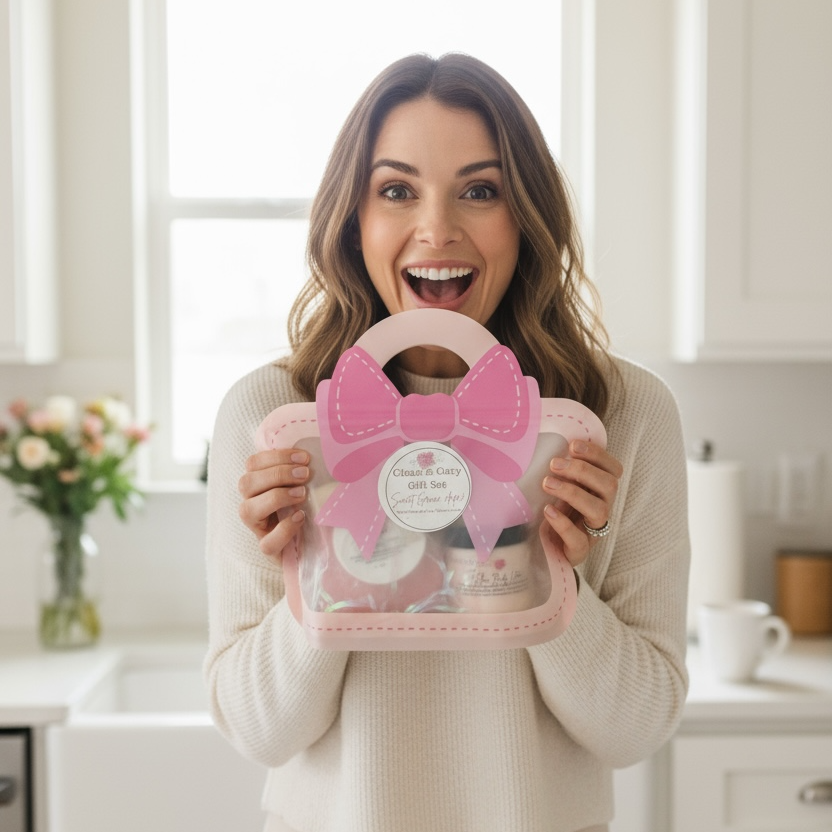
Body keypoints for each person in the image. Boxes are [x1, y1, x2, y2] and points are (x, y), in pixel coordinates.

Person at [205, 53, 690, 832]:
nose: (438, 228)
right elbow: (259, 730)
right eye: (396, 190)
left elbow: (638, 730)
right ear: (352, 217)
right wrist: (325, 567)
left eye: (480, 190)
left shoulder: (621, 415)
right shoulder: (275, 417)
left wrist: (549, 569)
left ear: (526, 214)